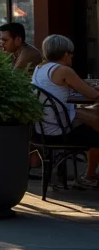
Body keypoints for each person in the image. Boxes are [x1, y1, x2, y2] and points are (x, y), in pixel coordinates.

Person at [33, 34, 99, 187]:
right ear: (65, 54)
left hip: (42, 128)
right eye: (72, 53)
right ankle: (89, 175)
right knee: (95, 129)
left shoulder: (40, 67)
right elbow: (93, 94)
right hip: (59, 131)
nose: (72, 57)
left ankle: (90, 175)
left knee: (93, 113)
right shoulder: (63, 70)